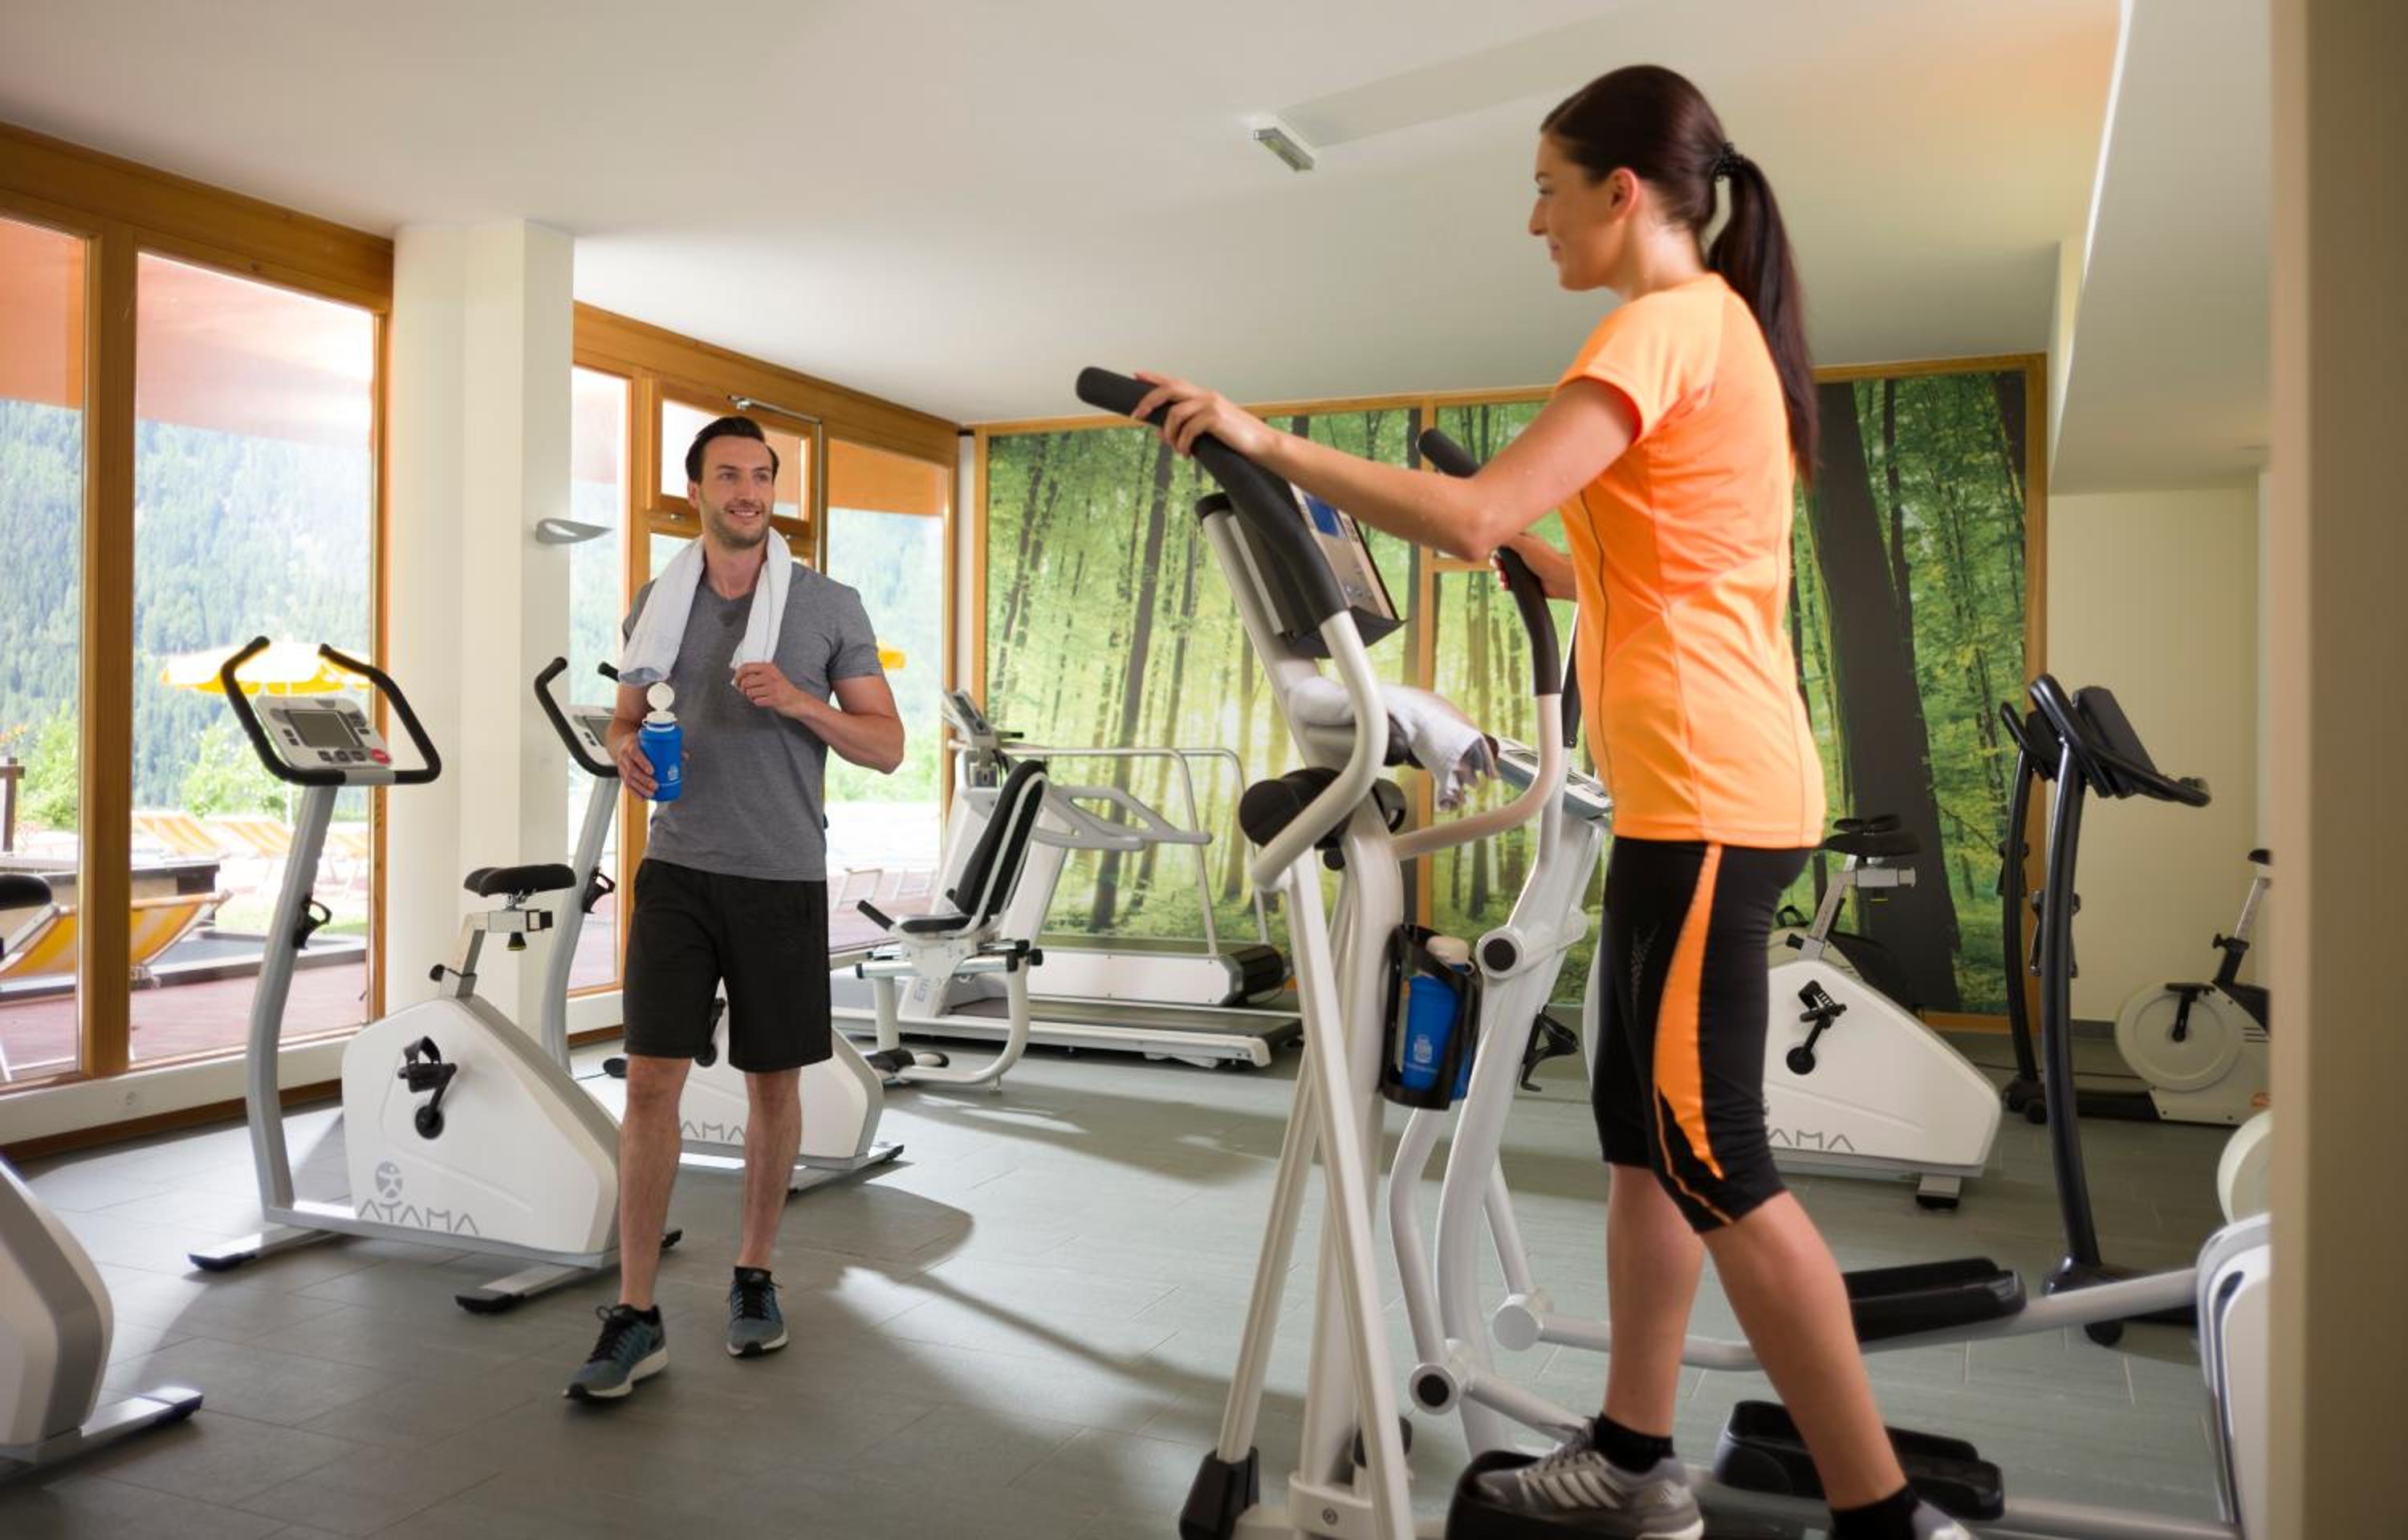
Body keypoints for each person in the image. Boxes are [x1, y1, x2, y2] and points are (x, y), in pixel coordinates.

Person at [1121, 63, 1967, 1540]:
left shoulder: (1662, 323)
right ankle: (1634, 1455)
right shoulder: (1724, 332)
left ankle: (1884, 1515)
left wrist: (1263, 440)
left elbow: (1473, 515)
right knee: (1643, 1143)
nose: (1535, 221)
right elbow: (1636, 563)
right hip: (1686, 798)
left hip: (1709, 796)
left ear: (1622, 191)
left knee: (1715, 1157)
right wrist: (1534, 560)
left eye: (1547, 189)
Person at [566, 414, 905, 1401]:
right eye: (729, 476)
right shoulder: (657, 602)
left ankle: (754, 1273)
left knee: (771, 1086)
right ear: (696, 491)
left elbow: (886, 746)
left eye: (762, 475)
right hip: (678, 872)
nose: (749, 492)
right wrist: (623, 751)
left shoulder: (826, 605)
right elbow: (627, 717)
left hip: (780, 875)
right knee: (649, 1084)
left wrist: (799, 700)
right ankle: (635, 1312)